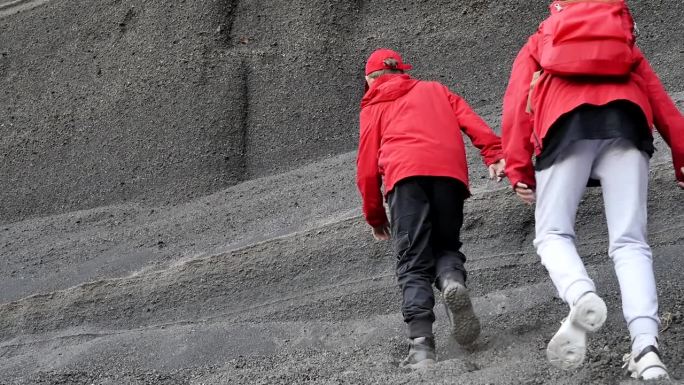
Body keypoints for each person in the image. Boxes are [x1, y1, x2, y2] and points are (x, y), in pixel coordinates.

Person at [501, 0, 683, 381]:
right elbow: (659, 98)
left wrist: (519, 168)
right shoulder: (623, 40)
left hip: (565, 127)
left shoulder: (541, 39)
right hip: (628, 124)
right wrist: (682, 158)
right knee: (631, 243)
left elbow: (517, 103)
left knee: (552, 233)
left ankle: (581, 295)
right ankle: (647, 350)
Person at [356, 48, 506, 369]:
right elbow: (471, 120)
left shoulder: (374, 105)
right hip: (449, 176)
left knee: (412, 261)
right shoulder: (436, 89)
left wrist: (375, 216)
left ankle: (422, 348)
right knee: (446, 245)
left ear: (370, 80)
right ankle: (452, 282)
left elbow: (367, 168)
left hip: (406, 179)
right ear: (401, 72)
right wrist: (494, 154)